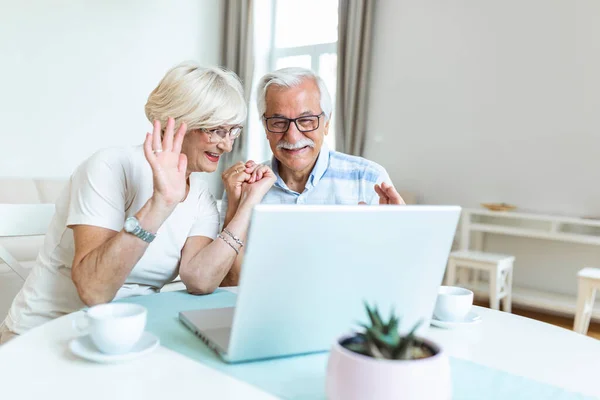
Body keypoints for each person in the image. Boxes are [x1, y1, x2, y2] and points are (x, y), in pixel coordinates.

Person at [0, 61, 276, 344]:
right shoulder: (109, 166)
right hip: (43, 336)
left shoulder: (201, 197)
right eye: (217, 130)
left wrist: (247, 205)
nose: (227, 145)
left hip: (128, 337)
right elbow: (94, 291)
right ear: (180, 121)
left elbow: (201, 280)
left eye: (233, 131)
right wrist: (161, 203)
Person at [219, 67, 405, 285]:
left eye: (306, 120)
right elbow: (228, 286)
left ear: (326, 123)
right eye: (279, 123)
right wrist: (237, 206)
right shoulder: (245, 188)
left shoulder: (367, 179)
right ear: (265, 127)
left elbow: (393, 276)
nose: (293, 135)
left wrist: (398, 236)